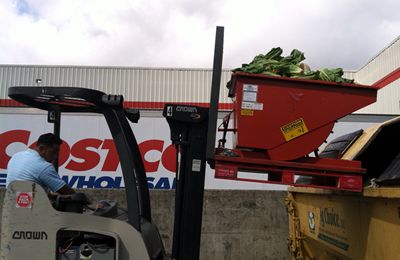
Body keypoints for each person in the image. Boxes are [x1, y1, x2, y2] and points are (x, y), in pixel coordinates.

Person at [6, 133, 75, 196]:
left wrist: (50, 195)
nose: (55, 156)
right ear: (42, 148)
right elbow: (67, 191)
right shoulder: (44, 166)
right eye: (54, 152)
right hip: (33, 207)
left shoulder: (16, 156)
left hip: (12, 204)